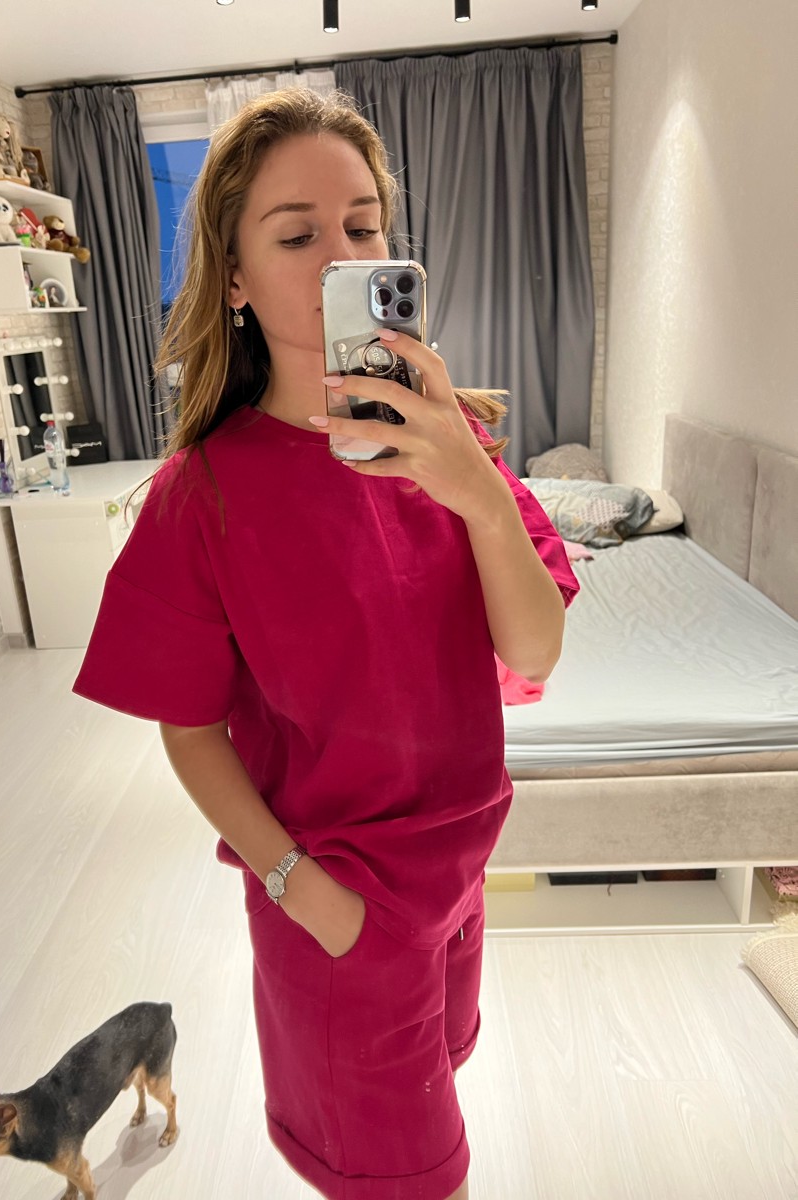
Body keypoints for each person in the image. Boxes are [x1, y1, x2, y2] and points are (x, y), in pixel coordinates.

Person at [72, 87, 579, 1200]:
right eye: (297, 235)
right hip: (335, 905)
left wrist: (476, 491)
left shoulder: (459, 448)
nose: (342, 257)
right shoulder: (202, 495)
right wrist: (303, 890)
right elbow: (189, 730)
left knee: (438, 1084)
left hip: (461, 879)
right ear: (236, 278)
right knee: (409, 1178)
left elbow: (534, 651)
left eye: (363, 227)